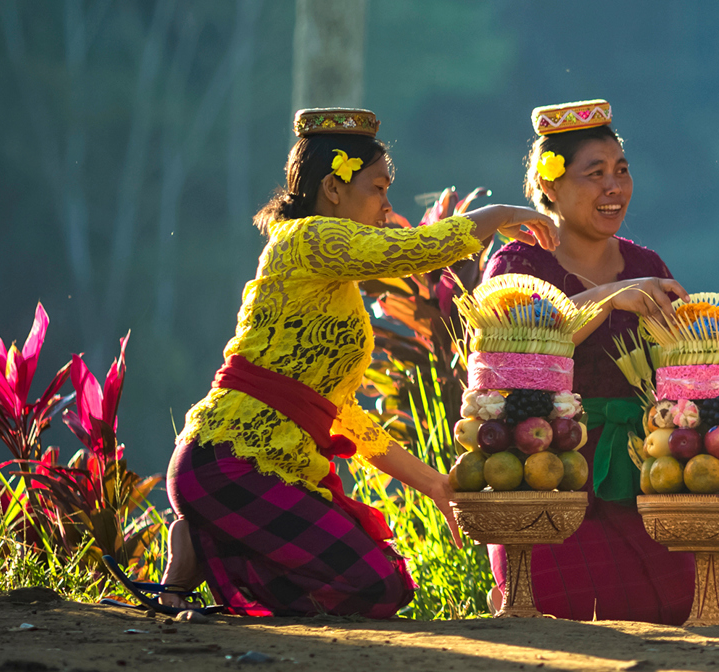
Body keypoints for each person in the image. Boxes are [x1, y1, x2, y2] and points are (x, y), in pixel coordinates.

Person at [155, 108, 557, 617]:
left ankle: (203, 547)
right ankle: (206, 548)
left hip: (250, 469)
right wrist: (497, 214)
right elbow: (414, 250)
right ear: (333, 188)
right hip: (229, 461)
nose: (388, 206)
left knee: (383, 586)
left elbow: (342, 417)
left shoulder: (332, 286)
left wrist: (433, 483)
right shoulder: (307, 238)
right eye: (378, 188)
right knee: (372, 588)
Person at [480, 100, 694, 623]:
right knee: (562, 605)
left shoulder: (645, 264)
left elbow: (675, 370)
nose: (613, 187)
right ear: (549, 184)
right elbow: (514, 349)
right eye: (594, 174)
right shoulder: (516, 264)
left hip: (634, 470)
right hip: (542, 467)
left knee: (676, 603)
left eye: (621, 170)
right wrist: (609, 297)